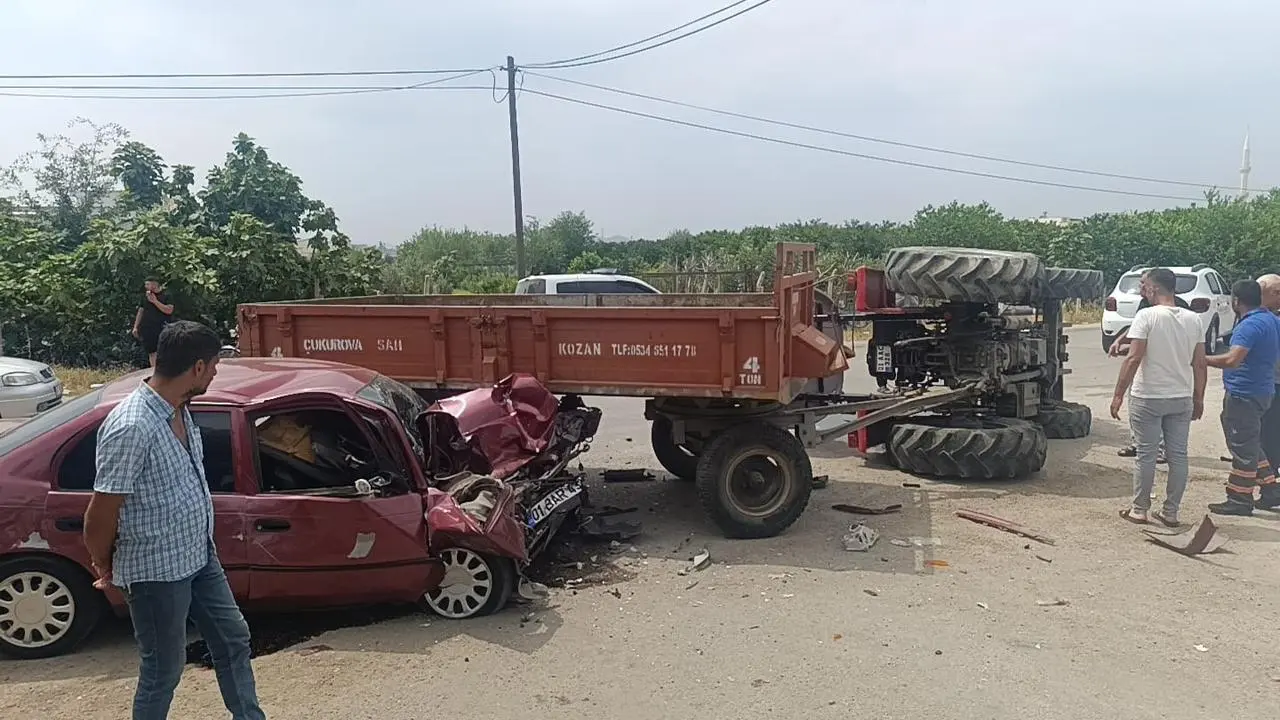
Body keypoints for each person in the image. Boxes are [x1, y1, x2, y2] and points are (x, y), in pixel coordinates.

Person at [83, 321, 265, 720]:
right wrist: (103, 562)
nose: (215, 374)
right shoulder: (132, 425)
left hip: (199, 556)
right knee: (163, 669)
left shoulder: (180, 409)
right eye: (214, 366)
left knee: (232, 638)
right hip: (156, 573)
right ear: (197, 367)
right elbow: (101, 510)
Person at [1110, 268, 1206, 526]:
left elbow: (1133, 357)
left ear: (1154, 288)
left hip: (1148, 396)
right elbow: (1199, 363)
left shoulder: (1147, 316)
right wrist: (1198, 398)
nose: (1142, 290)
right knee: (1178, 455)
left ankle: (1139, 510)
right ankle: (1171, 512)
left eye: (1144, 285)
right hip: (1181, 397)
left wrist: (1118, 394)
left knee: (1146, 454)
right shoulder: (1194, 319)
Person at [1205, 279, 1280, 516]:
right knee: (1249, 443)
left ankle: (1239, 498)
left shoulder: (1249, 326)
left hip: (1244, 393)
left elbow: (1232, 360)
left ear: (1235, 301)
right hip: (1262, 390)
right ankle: (1270, 488)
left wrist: (1200, 360)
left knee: (1242, 448)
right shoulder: (1270, 319)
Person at [1110, 290, 1192, 460]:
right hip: (1145, 369)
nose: (1141, 288)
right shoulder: (1145, 306)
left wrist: (1132, 349)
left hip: (1168, 371)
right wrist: (1120, 340)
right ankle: (1138, 443)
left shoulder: (1179, 307)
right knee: (1136, 405)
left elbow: (1166, 339)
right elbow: (1137, 328)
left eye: (1143, 284)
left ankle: (1160, 449)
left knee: (1159, 411)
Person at [1255, 273, 1280, 510]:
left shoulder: (1269, 319)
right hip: (1269, 383)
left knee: (1269, 438)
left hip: (1274, 384)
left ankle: (1270, 489)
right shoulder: (1264, 316)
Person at [132, 278, 175, 368]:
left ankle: (166, 370)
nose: (146, 287)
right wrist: (135, 326)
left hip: (162, 326)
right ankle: (154, 370)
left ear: (155, 284)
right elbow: (141, 311)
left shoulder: (166, 295)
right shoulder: (145, 297)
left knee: (164, 350)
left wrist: (155, 301)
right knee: (152, 352)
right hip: (148, 328)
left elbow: (169, 310)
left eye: (148, 284)